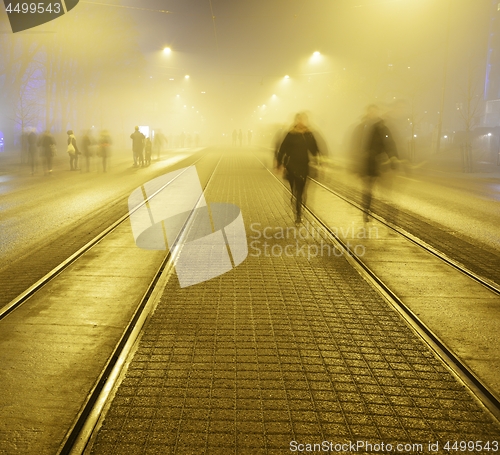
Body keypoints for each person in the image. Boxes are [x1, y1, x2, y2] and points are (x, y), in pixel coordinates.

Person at [351, 104, 398, 222]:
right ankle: (366, 211)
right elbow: (355, 144)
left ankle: (388, 215)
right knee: (368, 189)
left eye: (375, 112)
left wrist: (393, 157)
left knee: (385, 190)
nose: (373, 114)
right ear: (367, 113)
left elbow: (389, 143)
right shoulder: (361, 128)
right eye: (371, 112)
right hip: (365, 164)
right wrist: (355, 161)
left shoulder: (382, 128)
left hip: (379, 163)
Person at [277, 112, 320, 225]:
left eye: (303, 119)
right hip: (291, 166)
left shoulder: (308, 134)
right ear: (296, 120)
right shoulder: (291, 134)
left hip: (304, 165)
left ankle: (298, 214)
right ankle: (296, 205)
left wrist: (318, 160)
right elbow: (282, 149)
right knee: (295, 191)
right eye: (299, 119)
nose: (301, 121)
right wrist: (279, 163)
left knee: (301, 192)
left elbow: (314, 149)